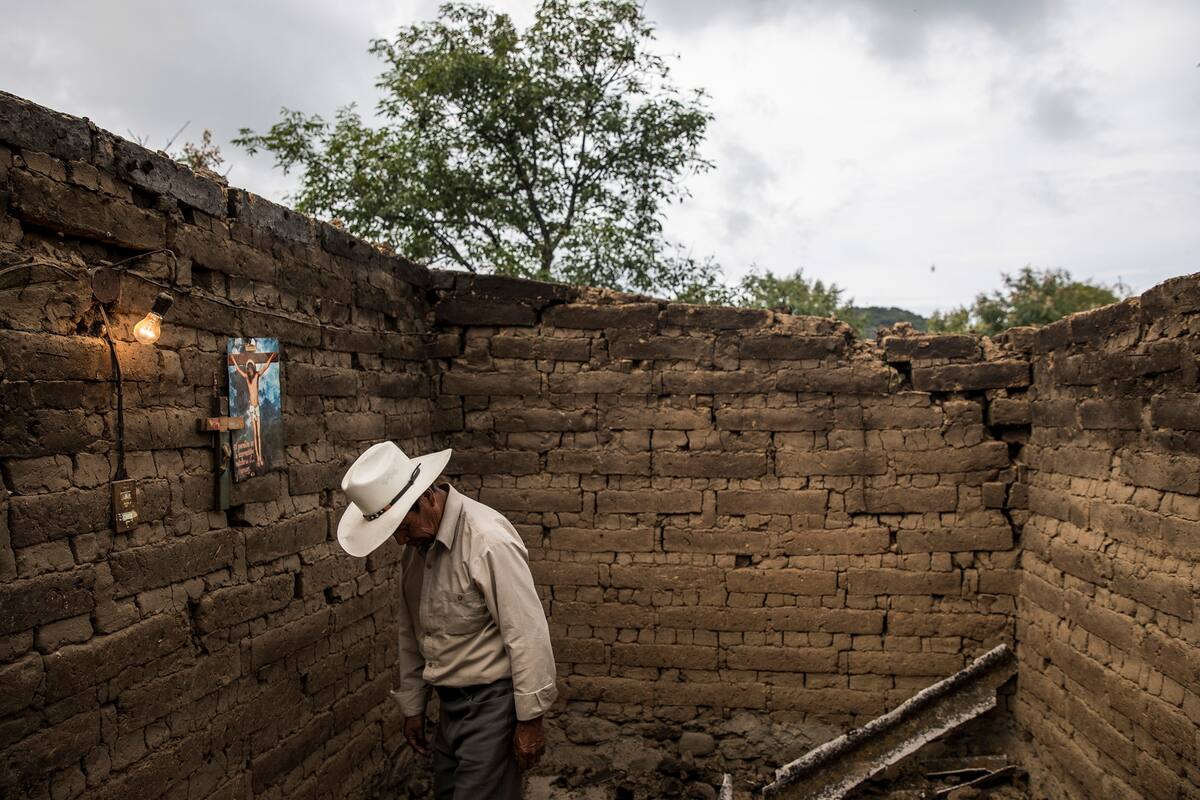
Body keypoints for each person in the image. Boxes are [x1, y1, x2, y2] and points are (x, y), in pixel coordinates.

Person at [336, 441, 556, 800]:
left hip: (492, 706)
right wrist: (414, 705)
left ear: (427, 498)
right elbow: (412, 631)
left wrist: (531, 719)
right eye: (394, 533)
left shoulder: (487, 541)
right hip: (449, 706)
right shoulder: (417, 548)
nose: (400, 541)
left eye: (403, 527)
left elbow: (527, 634)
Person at [229, 351, 278, 467]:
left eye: (250, 368)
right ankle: (258, 458)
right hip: (252, 408)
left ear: (252, 368)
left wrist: (271, 357)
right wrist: (233, 359)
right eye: (248, 368)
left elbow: (265, 367)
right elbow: (239, 370)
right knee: (255, 433)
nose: (249, 370)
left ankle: (260, 457)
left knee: (258, 435)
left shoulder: (256, 376)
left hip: (257, 408)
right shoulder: (247, 378)